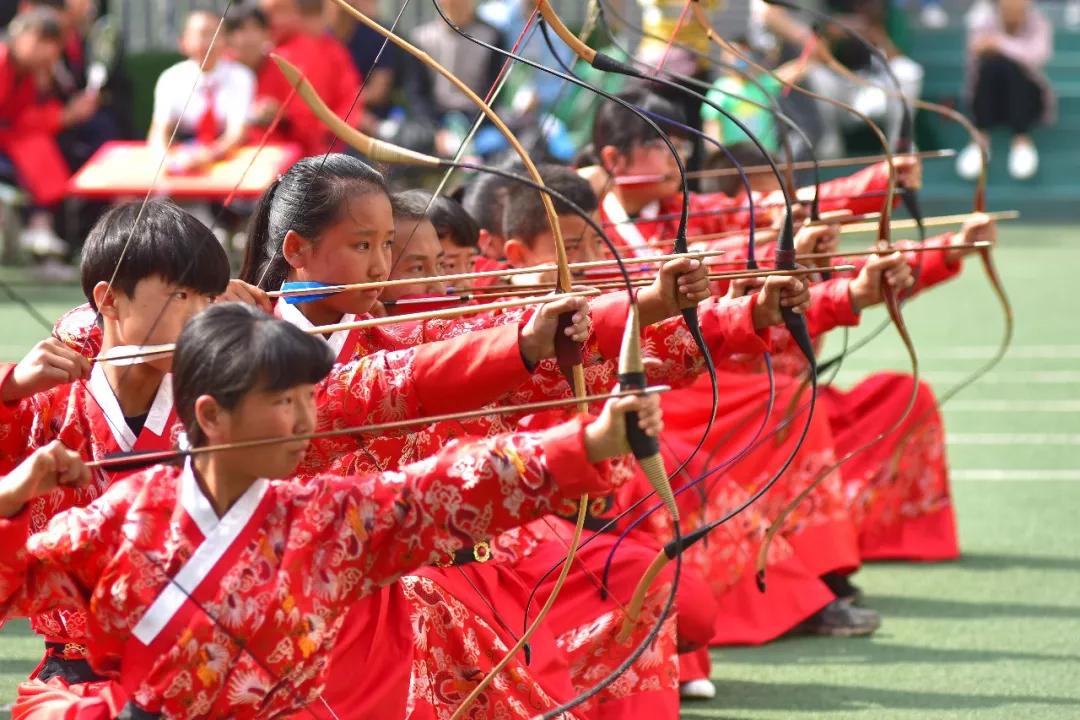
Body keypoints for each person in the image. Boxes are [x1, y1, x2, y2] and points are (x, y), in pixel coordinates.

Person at [0, 301, 662, 718]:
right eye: (282, 402)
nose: (304, 422)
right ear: (211, 414)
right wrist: (10, 498)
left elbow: (440, 491)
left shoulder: (325, 516)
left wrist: (593, 440)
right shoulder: (123, 522)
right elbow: (18, 584)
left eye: (307, 400)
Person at [0, 7, 96, 264]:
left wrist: (65, 115)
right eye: (42, 41)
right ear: (21, 36)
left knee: (45, 146)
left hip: (11, 140)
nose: (49, 52)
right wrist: (62, 116)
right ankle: (38, 224)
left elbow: (25, 120)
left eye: (52, 44)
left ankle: (40, 225)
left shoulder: (30, 73)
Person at [956, 0, 1053, 181]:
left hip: (1026, 96)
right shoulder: (983, 22)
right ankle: (980, 140)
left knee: (1012, 67)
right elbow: (974, 61)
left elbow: (1036, 56)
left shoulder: (1040, 23)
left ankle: (1021, 139)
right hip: (990, 94)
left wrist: (999, 44)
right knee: (993, 65)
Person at [149, 10, 254, 173]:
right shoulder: (170, 78)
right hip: (181, 159)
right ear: (183, 41)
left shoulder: (241, 76)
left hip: (226, 159)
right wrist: (165, 160)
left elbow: (237, 132)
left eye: (214, 34)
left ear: (226, 41)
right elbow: (159, 131)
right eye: (200, 34)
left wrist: (208, 155)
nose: (207, 42)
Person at [257, 0, 361, 154]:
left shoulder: (330, 49)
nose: (276, 20)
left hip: (323, 145)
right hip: (277, 146)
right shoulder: (270, 53)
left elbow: (350, 99)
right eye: (269, 15)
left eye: (283, 12)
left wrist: (328, 130)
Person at [407, 0, 505, 156]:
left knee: (496, 145)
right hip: (435, 120)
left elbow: (495, 94)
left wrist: (470, 130)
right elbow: (417, 94)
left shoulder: (492, 37)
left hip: (478, 123)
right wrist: (436, 131)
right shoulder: (421, 38)